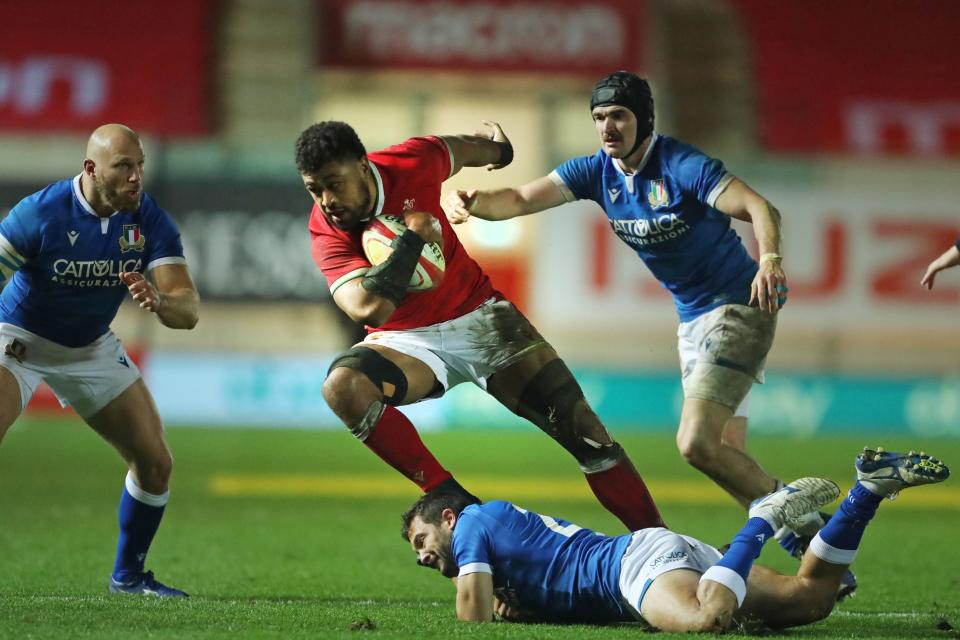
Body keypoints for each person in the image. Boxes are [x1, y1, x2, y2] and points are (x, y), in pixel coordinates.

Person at [444, 70, 835, 573]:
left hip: (738, 307)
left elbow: (759, 206)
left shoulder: (681, 165)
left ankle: (809, 525)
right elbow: (519, 199)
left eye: (619, 116)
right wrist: (473, 202)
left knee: (694, 443)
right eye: (599, 117)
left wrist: (771, 259)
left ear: (644, 119)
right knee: (725, 461)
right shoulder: (596, 172)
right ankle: (824, 563)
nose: (608, 127)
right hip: (693, 321)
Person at [296, 120, 664, 531]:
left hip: (480, 317)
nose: (327, 200)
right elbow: (368, 309)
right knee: (343, 387)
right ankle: (450, 495)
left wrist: (499, 151)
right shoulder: (324, 228)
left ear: (364, 167)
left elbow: (470, 148)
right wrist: (414, 239)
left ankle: (661, 544)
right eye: (315, 189)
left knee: (587, 432)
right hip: (403, 340)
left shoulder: (413, 161)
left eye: (334, 183)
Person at [403, 447, 949, 632]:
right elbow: (540, 586)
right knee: (812, 601)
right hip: (661, 557)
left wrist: (493, 604)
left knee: (706, 621)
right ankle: (869, 489)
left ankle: (761, 519)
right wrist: (522, 606)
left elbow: (470, 618)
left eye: (423, 539)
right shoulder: (498, 543)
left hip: (633, 569)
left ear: (448, 517)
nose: (424, 556)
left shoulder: (473, 521)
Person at [0, 124, 200, 596]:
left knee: (155, 463)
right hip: (19, 340)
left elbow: (187, 310)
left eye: (141, 166)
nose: (137, 177)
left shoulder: (148, 220)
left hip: (91, 346)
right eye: (124, 167)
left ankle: (128, 577)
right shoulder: (40, 213)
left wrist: (160, 301)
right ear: (92, 168)